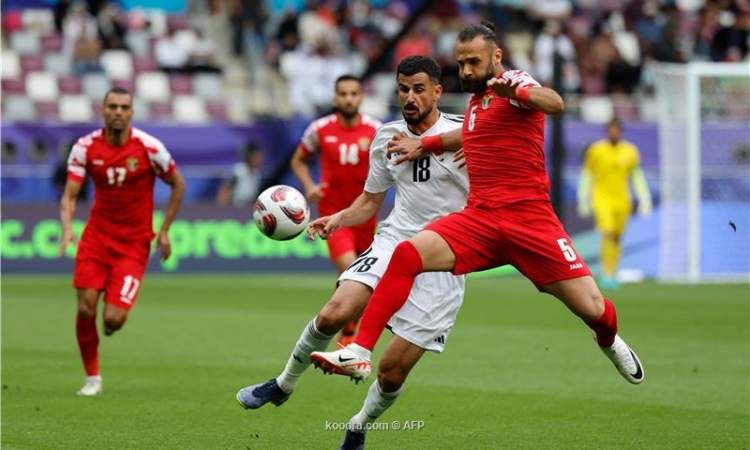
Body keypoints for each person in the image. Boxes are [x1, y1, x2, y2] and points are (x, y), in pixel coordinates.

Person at [311, 22, 645, 387]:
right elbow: (470, 133)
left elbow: (555, 103)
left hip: (530, 222)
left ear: (496, 56)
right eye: (461, 63)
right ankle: (359, 350)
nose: (466, 71)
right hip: (481, 219)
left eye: (474, 62)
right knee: (407, 254)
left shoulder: (513, 83)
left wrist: (520, 91)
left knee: (593, 308)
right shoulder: (476, 101)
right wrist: (426, 145)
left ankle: (609, 341)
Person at [236, 56, 468, 450]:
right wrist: (338, 219)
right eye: (403, 89)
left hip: (444, 258)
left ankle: (358, 426)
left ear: (437, 92)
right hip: (395, 241)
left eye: (418, 89)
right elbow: (370, 201)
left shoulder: (464, 135)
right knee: (333, 312)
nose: (409, 97)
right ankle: (283, 384)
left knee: (392, 372)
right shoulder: (386, 137)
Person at [58, 87, 185, 396]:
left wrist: (164, 231)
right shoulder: (85, 148)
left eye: (123, 107)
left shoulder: (149, 148)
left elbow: (178, 184)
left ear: (131, 112)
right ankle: (92, 378)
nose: (118, 112)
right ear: (102, 110)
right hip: (96, 239)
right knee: (86, 307)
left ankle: (110, 322)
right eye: (112, 106)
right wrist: (67, 227)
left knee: (112, 320)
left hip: (133, 245)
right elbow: (70, 195)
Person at [290, 74, 381, 347]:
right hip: (333, 217)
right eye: (343, 94)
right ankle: (348, 335)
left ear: (361, 96)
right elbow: (298, 160)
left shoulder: (376, 130)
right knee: (352, 271)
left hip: (365, 216)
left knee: (357, 281)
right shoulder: (319, 129)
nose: (348, 99)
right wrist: (309, 185)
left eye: (353, 93)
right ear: (335, 98)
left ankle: (328, 329)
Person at [577, 117, 652, 289]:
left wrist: (644, 198)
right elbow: (587, 174)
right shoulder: (596, 150)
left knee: (617, 238)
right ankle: (606, 273)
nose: (614, 133)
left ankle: (612, 272)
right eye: (611, 130)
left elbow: (637, 176)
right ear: (607, 131)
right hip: (601, 198)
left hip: (622, 200)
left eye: (616, 130)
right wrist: (583, 198)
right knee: (608, 233)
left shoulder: (630, 151)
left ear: (621, 132)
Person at [216, 142, 263, 208]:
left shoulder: (257, 174)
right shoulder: (238, 172)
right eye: (257, 157)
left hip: (248, 208)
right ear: (249, 157)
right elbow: (224, 192)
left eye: (260, 157)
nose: (260, 160)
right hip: (234, 208)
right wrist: (224, 207)